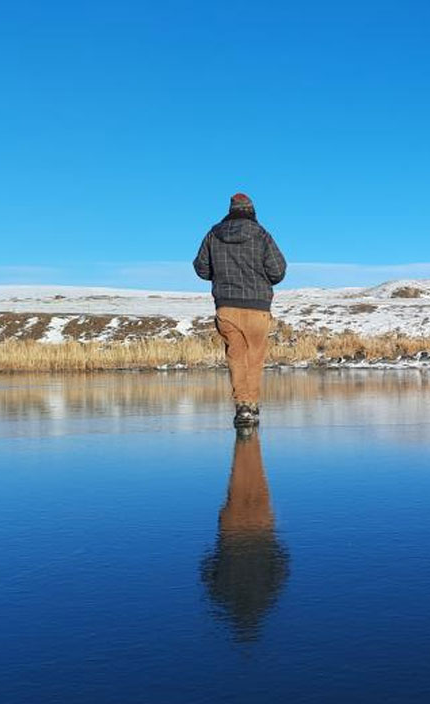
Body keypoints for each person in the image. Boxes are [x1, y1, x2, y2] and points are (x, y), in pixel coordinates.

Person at [193, 193, 287, 428]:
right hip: (257, 307)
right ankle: (251, 407)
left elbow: (201, 268)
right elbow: (278, 271)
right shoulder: (262, 234)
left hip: (227, 306)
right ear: (252, 211)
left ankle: (242, 406)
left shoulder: (213, 234)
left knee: (236, 356)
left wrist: (221, 275)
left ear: (230, 210)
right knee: (254, 357)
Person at [201, 428, 289, 643]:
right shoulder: (264, 598)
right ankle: (249, 438)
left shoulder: (226, 599)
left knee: (241, 479)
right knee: (254, 477)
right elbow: (281, 568)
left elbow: (281, 567)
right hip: (247, 528)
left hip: (243, 525)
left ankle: (247, 439)